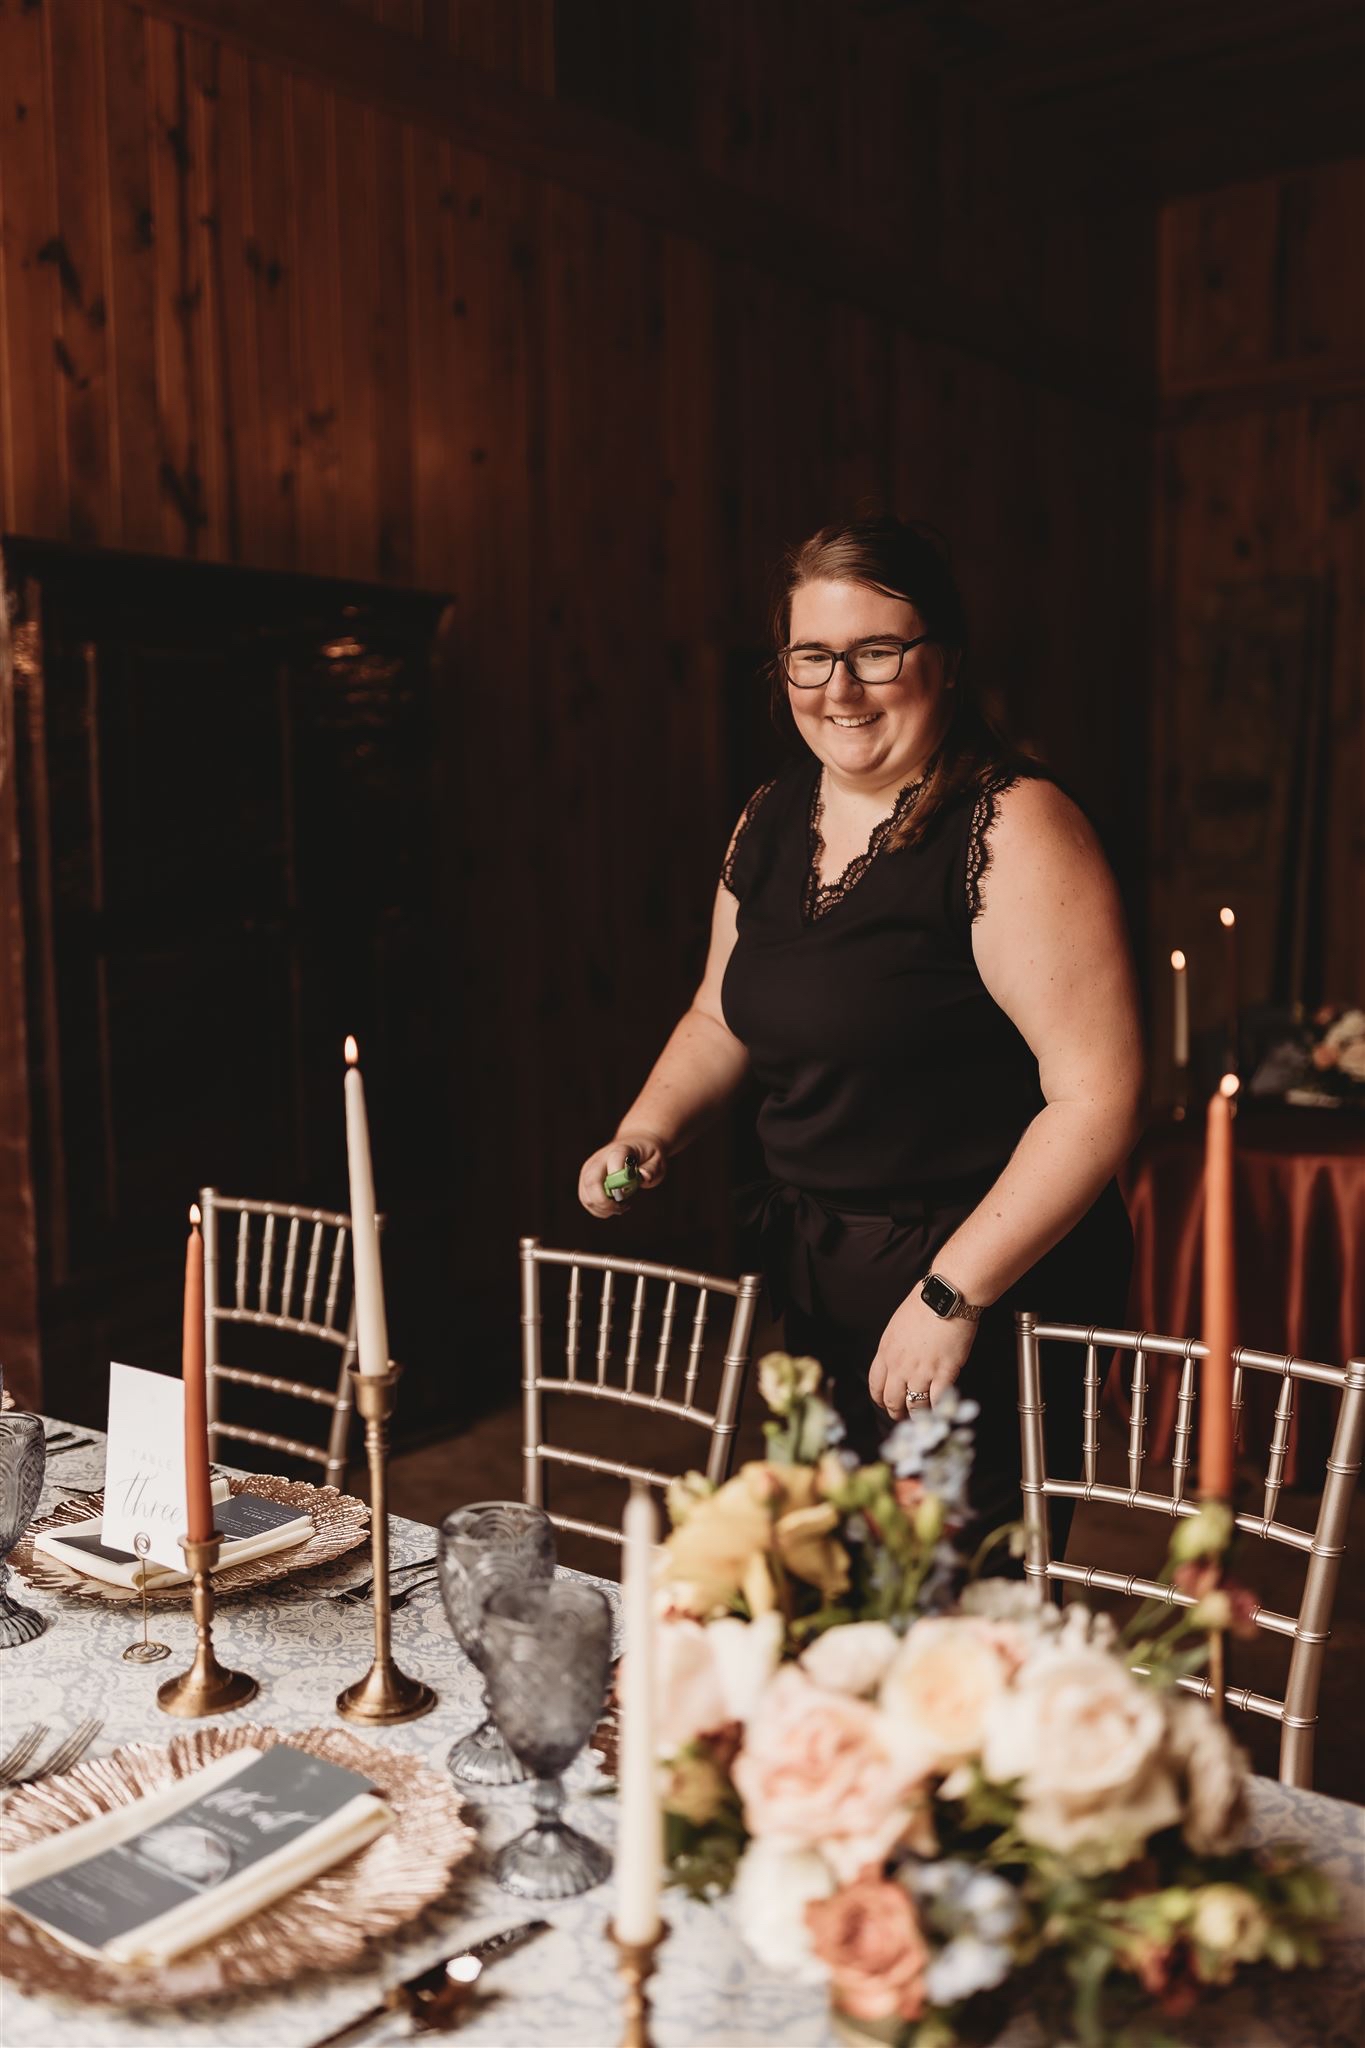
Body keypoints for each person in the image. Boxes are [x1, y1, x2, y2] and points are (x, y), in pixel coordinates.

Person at [578, 517, 1143, 1542]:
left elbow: (1095, 1097)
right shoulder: (769, 816)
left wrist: (951, 1296)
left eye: (877, 651)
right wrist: (648, 1126)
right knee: (832, 1586)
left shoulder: (1018, 828)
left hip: (979, 1288)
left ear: (948, 659)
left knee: (953, 1629)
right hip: (823, 1278)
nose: (841, 687)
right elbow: (719, 1010)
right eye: (811, 655)